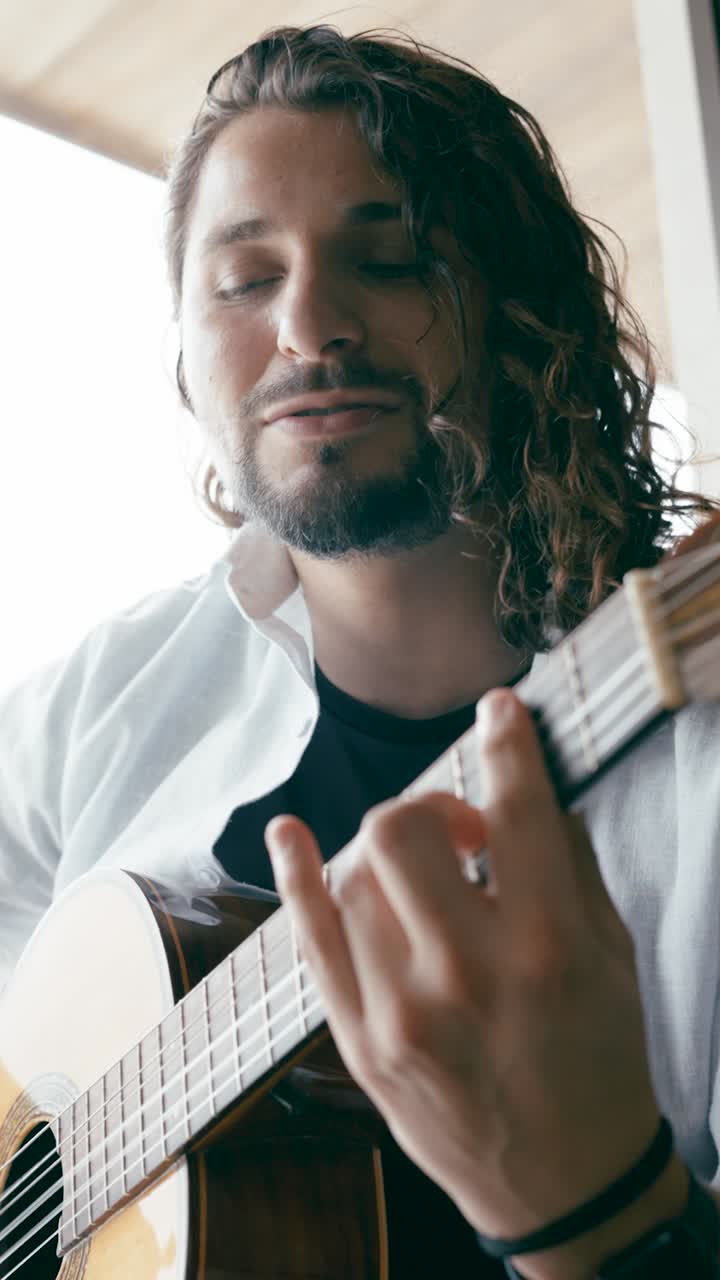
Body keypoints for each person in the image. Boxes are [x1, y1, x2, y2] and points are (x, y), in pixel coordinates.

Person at [2, 23, 720, 1277]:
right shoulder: (103, 700)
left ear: (521, 316)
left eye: (390, 260)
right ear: (183, 353)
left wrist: (606, 1212)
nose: (308, 323)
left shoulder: (700, 772)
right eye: (243, 279)